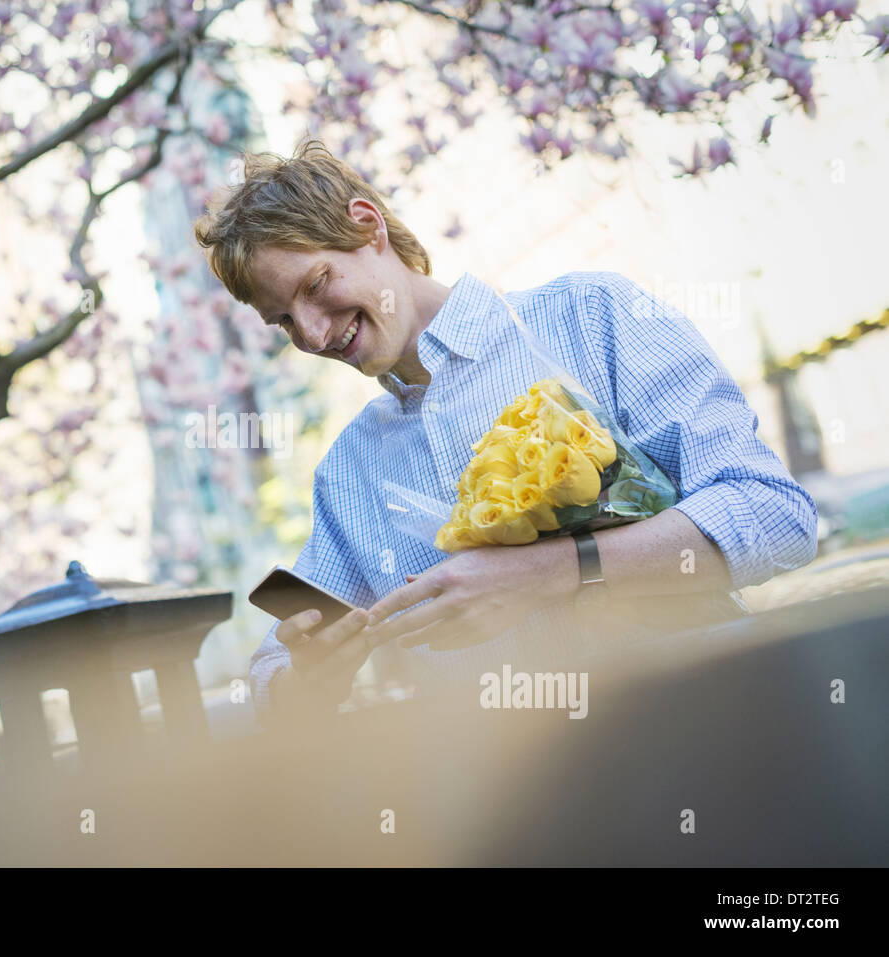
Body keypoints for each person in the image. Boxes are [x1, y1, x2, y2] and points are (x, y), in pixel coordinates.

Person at [192, 138, 819, 726]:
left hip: (707, 742)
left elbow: (775, 516)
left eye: (316, 286)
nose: (314, 336)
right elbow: (272, 667)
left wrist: (550, 571)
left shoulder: (591, 316)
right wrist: (306, 681)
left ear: (366, 225)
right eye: (283, 321)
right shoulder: (350, 471)